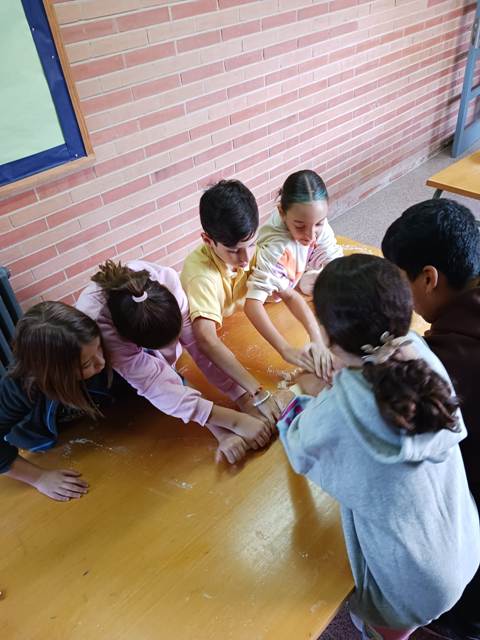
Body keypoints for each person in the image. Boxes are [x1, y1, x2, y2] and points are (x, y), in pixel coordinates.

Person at [277, 254, 480, 640]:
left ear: (328, 336)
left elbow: (301, 444)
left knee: (383, 628)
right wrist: (345, 370)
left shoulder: (338, 411)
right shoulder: (418, 353)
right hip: (462, 542)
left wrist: (302, 394)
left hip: (414, 579)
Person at [382, 198, 480, 640]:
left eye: (400, 282)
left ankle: (453, 620)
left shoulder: (447, 365)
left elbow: (393, 439)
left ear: (428, 278)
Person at [77, 259, 274, 465]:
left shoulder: (167, 280)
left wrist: (243, 396)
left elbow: (200, 347)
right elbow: (156, 384)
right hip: (111, 350)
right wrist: (233, 422)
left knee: (175, 363)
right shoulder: (104, 330)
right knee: (164, 374)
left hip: (141, 319)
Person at [180, 179, 281, 422]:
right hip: (194, 348)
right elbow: (205, 339)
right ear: (207, 240)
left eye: (251, 244)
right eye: (234, 250)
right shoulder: (200, 275)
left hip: (236, 323)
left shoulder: (248, 250)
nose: (245, 258)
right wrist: (255, 392)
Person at [0, 301, 111, 501]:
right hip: (48, 447)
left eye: (100, 347)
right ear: (52, 371)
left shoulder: (91, 349)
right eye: (86, 363)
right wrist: (38, 478)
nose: (101, 362)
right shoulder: (19, 387)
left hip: (95, 429)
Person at [244, 170, 343, 379]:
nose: (311, 235)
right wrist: (285, 349)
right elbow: (253, 304)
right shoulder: (278, 250)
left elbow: (334, 261)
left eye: (319, 223)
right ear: (282, 213)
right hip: (274, 295)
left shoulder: (308, 218)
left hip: (291, 280)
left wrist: (318, 336)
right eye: (300, 226)